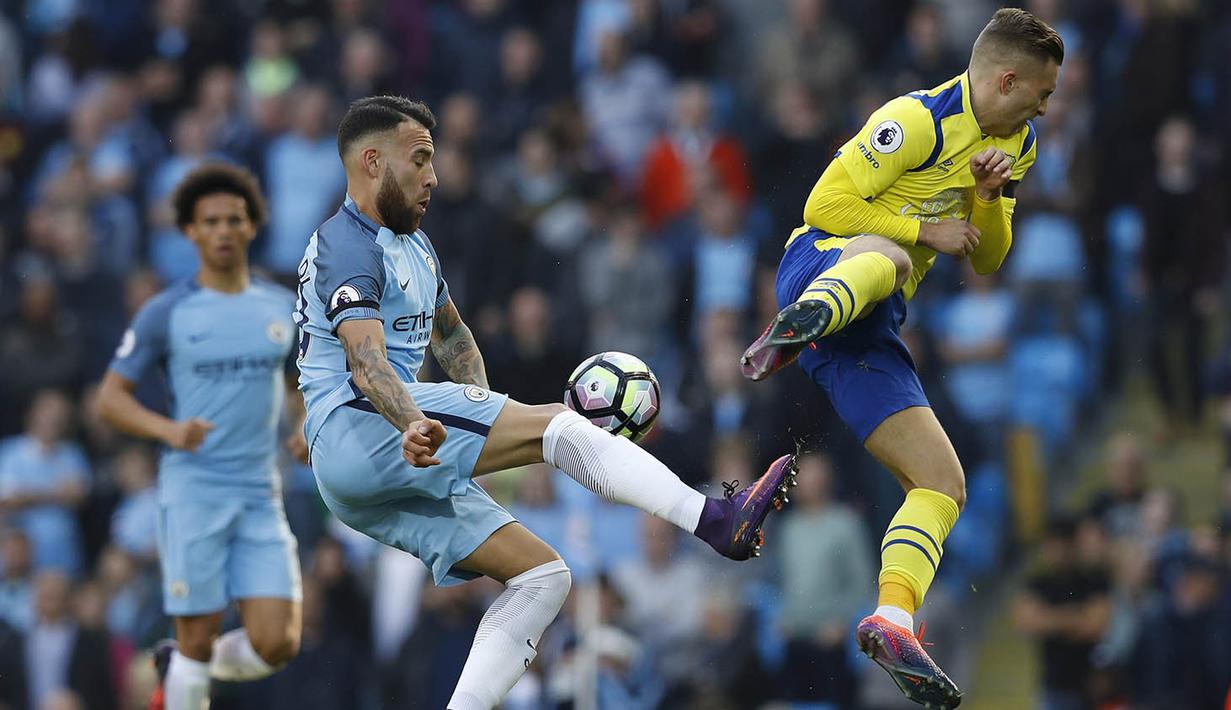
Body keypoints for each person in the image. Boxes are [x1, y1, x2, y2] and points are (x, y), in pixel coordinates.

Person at [295, 95, 796, 710]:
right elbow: (366, 363)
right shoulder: (347, 243)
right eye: (420, 160)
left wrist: (479, 407)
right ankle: (717, 520)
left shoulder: (416, 248)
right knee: (557, 425)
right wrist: (416, 419)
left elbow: (451, 336)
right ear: (372, 162)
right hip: (358, 426)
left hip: (376, 464)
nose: (435, 177)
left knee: (542, 576)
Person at [739, 8, 1063, 708]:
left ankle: (891, 620)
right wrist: (922, 230)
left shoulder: (1018, 144)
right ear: (1005, 79)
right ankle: (798, 324)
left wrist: (986, 201)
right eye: (1040, 91)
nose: (1045, 105)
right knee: (885, 258)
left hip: (870, 323)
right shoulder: (916, 118)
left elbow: (988, 262)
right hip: (820, 263)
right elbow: (823, 202)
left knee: (943, 485)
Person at [95, 164, 306, 710]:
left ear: (252, 226)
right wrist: (169, 428)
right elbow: (109, 399)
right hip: (194, 490)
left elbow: (295, 384)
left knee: (278, 642)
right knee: (198, 635)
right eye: (210, 221)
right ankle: (185, 664)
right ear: (189, 230)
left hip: (261, 491)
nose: (223, 231)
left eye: (234, 219)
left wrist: (303, 425)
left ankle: (179, 664)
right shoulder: (167, 311)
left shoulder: (280, 308)